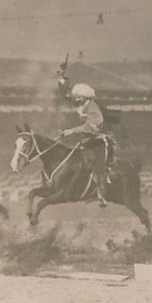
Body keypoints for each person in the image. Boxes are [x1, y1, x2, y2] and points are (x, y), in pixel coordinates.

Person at [56, 74, 112, 205]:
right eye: (76, 97)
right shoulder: (81, 104)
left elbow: (89, 127)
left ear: (85, 97)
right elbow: (67, 95)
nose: (75, 98)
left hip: (99, 142)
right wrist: (62, 80)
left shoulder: (93, 109)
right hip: (87, 142)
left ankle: (102, 196)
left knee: (99, 168)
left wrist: (69, 131)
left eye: (78, 97)